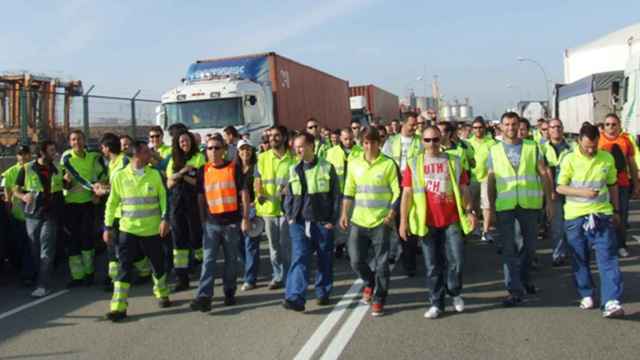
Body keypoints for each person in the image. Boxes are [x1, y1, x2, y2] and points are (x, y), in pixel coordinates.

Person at [399, 126, 475, 318]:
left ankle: (455, 291)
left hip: (451, 219)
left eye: (435, 139)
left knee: (456, 260)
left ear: (441, 139)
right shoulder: (414, 163)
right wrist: (403, 221)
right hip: (427, 221)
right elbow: (407, 194)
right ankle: (436, 303)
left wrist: (470, 211)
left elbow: (464, 189)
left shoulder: (454, 161)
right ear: (422, 142)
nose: (431, 144)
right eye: (427, 140)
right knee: (433, 265)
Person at [556, 123, 624, 318]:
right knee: (580, 257)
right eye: (587, 146)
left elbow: (612, 185)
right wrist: (582, 192)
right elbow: (560, 188)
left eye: (594, 146)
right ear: (579, 141)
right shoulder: (569, 160)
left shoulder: (606, 158)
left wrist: (616, 210)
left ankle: (611, 300)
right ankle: (586, 292)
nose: (591, 149)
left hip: (601, 214)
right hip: (576, 216)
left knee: (608, 257)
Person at [487, 112, 552, 307]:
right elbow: (491, 179)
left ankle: (524, 279)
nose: (510, 128)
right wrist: (490, 205)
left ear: (519, 126)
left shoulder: (532, 147)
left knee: (529, 247)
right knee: (509, 248)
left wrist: (548, 201)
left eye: (514, 124)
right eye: (506, 124)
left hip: (529, 205)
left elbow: (543, 173)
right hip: (505, 206)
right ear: (500, 127)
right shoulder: (495, 150)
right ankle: (513, 290)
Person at [103, 140, 171, 322]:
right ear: (137, 155)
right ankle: (118, 307)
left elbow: (164, 199)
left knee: (157, 265)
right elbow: (111, 204)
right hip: (128, 230)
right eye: (147, 152)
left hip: (152, 230)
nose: (150, 154)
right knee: (123, 268)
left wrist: (165, 219)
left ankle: (162, 293)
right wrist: (108, 227)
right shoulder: (119, 177)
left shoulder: (155, 175)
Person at [340, 127, 400, 317]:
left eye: (372, 142)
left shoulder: (388, 164)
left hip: (380, 222)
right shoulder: (354, 163)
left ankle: (379, 299)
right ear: (361, 143)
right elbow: (349, 191)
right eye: (365, 143)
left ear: (378, 143)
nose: (369, 146)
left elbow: (397, 192)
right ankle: (369, 282)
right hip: (358, 221)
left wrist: (391, 214)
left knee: (382, 263)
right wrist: (344, 214)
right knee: (356, 260)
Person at [189, 137, 250, 312]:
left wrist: (245, 218)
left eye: (216, 148)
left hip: (231, 224)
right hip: (211, 223)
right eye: (209, 148)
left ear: (224, 150)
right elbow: (201, 197)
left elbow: (244, 194)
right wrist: (202, 221)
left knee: (231, 261)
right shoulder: (203, 171)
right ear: (206, 151)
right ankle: (204, 297)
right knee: (208, 261)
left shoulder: (234, 168)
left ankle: (229, 291)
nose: (213, 151)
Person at [281, 133, 340, 311]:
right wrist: (289, 216)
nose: (298, 150)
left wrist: (332, 220)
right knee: (299, 257)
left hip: (321, 222)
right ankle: (295, 297)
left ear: (311, 146)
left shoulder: (326, 167)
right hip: (299, 222)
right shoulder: (293, 169)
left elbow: (336, 196)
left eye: (301, 146)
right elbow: (287, 195)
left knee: (324, 258)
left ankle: (323, 291)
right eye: (296, 147)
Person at [13, 141, 64, 297]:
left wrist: (69, 181)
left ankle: (43, 284)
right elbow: (15, 190)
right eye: (51, 150)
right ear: (42, 152)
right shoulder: (27, 169)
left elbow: (65, 186)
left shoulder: (58, 168)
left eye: (55, 150)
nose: (54, 153)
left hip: (51, 215)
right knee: (34, 248)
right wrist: (23, 196)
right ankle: (40, 276)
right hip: (32, 215)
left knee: (46, 251)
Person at [255, 125, 296, 289]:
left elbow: (298, 180)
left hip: (287, 210)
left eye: (276, 135)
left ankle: (288, 276)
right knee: (274, 247)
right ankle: (277, 276)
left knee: (286, 246)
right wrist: (258, 193)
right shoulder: (263, 157)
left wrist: (289, 189)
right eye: (270, 136)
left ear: (284, 137)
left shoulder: (293, 158)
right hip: (269, 209)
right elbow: (257, 178)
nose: (272, 138)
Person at [61, 130, 103, 287]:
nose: (76, 142)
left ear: (84, 141)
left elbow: (101, 175)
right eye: (73, 140)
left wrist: (97, 193)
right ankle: (77, 276)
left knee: (87, 239)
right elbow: (63, 182)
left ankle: (89, 273)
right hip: (71, 204)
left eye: (79, 139)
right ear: (69, 142)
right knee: (73, 240)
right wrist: (67, 182)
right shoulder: (66, 158)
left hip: (87, 204)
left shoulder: (93, 156)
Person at [382, 112, 422, 275]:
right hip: (397, 188)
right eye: (412, 124)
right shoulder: (391, 142)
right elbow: (384, 164)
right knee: (400, 223)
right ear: (403, 124)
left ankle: (410, 260)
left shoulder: (420, 142)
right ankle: (407, 257)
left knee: (412, 223)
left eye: (416, 125)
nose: (414, 128)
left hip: (415, 188)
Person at [166, 130, 206, 291]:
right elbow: (169, 183)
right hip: (177, 204)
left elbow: (198, 181)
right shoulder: (173, 160)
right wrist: (184, 172)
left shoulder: (199, 157)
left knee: (196, 238)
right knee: (178, 241)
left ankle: (203, 270)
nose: (185, 143)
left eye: (187, 140)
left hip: (193, 202)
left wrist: (179, 176)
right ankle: (182, 278)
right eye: (181, 141)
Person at [597, 113, 639, 257]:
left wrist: (636, 184)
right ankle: (606, 244)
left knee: (621, 215)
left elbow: (631, 163)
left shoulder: (626, 141)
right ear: (604, 126)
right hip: (603, 185)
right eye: (607, 124)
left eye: (614, 124)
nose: (611, 127)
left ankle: (621, 244)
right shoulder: (598, 141)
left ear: (619, 125)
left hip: (622, 185)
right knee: (604, 216)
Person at [326, 128, 363, 258]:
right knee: (339, 221)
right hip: (339, 193)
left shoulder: (360, 151)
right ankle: (339, 245)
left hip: (355, 193)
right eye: (345, 139)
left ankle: (351, 246)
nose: (348, 141)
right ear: (340, 138)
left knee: (353, 221)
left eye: (350, 138)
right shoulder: (331, 153)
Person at [1, 145, 34, 285]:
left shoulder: (35, 169)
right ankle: (25, 271)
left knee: (30, 246)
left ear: (30, 155)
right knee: (21, 246)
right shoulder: (9, 173)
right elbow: (7, 194)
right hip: (18, 216)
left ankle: (28, 274)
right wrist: (8, 208)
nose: (23, 157)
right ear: (17, 156)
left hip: (34, 216)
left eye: (26, 154)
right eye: (21, 154)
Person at [542, 119, 574, 266]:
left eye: (558, 127)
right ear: (548, 130)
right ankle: (558, 253)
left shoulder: (572, 147)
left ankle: (573, 251)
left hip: (570, 189)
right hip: (552, 189)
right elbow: (543, 171)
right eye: (552, 127)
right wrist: (549, 191)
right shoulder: (542, 148)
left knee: (571, 223)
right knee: (557, 225)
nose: (556, 129)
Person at [235, 140, 260, 291]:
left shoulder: (256, 168)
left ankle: (250, 278)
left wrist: (255, 203)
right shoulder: (234, 169)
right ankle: (249, 268)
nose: (245, 152)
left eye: (248, 149)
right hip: (235, 210)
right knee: (239, 244)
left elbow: (258, 187)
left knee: (251, 244)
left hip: (251, 209)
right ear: (238, 152)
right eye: (242, 150)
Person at [467, 117, 496, 243]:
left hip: (486, 177)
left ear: (484, 128)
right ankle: (476, 228)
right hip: (472, 178)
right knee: (472, 206)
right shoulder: (467, 143)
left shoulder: (492, 143)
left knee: (487, 205)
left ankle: (486, 231)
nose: (478, 130)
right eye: (475, 128)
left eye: (480, 127)